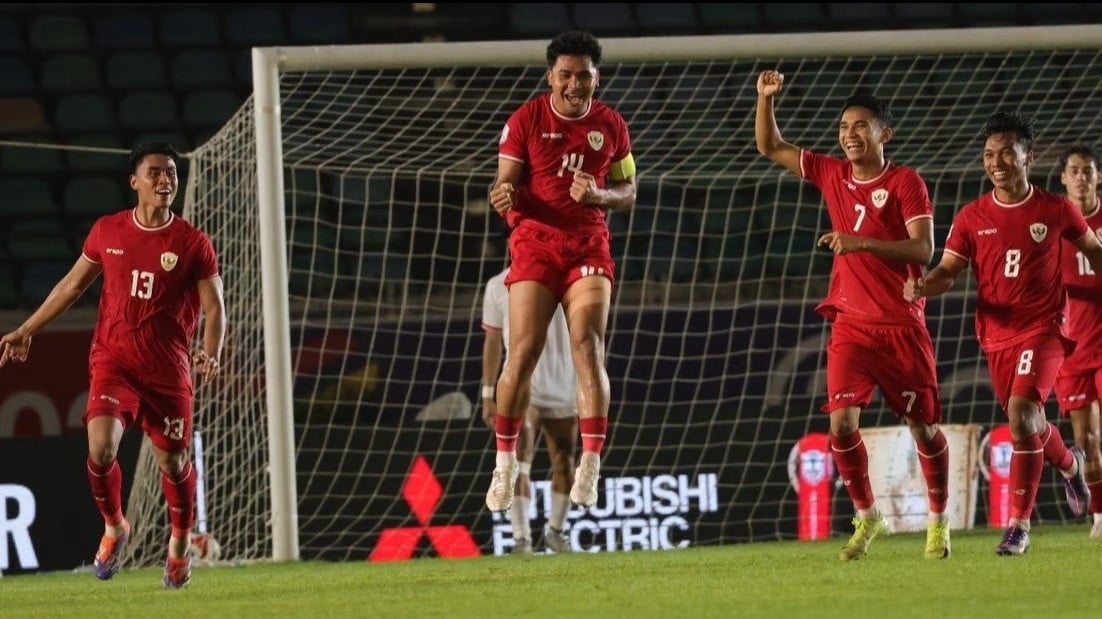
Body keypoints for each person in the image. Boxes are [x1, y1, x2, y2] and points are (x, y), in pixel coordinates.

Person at [0, 142, 226, 587]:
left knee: (174, 463)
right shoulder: (108, 231)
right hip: (115, 362)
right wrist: (28, 328)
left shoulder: (193, 243)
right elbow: (70, 287)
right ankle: (115, 526)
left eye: (172, 174)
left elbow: (215, 307)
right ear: (134, 181)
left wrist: (211, 350)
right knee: (100, 449)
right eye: (156, 173)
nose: (166, 181)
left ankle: (180, 543)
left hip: (168, 370)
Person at [755, 70, 952, 561]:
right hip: (851, 325)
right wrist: (765, 99)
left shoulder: (907, 181)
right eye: (844, 126)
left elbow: (925, 249)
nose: (849, 134)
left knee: (924, 430)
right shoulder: (830, 173)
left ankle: (938, 520)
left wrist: (861, 242)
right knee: (840, 425)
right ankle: (868, 516)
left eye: (861, 126)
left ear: (885, 133)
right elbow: (770, 146)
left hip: (902, 325)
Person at [904, 112, 1095, 556]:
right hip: (996, 336)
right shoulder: (972, 217)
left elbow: (1093, 250)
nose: (997, 161)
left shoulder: (1056, 208)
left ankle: (1018, 526)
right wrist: (923, 284)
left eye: (1007, 151)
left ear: (1028, 155)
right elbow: (948, 270)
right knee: (1030, 422)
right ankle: (1071, 465)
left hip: (1046, 328)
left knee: (1022, 416)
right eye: (989, 154)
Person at [484, 30, 636, 513]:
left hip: (588, 242)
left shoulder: (612, 125)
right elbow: (504, 186)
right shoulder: (525, 119)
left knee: (588, 347)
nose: (575, 84)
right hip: (535, 243)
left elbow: (628, 189)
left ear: (597, 78)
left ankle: (590, 464)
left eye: (584, 76)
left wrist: (599, 196)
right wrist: (501, 195)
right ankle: (504, 465)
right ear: (551, 75)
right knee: (523, 350)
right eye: (566, 75)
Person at [481, 265, 578, 554]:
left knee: (565, 462)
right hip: (525, 385)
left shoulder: (568, 277)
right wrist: (488, 393)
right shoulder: (498, 285)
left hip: (564, 383)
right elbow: (493, 340)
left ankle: (556, 532)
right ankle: (521, 539)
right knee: (518, 461)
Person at [1053, 144, 1102, 536]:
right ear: (1063, 178)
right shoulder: (1054, 226)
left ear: (1098, 176)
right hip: (1071, 351)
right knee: (1085, 439)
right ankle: (1100, 517)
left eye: (1088, 170)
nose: (1081, 176)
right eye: (1075, 170)